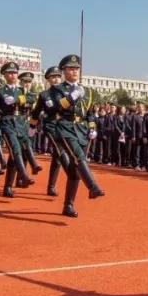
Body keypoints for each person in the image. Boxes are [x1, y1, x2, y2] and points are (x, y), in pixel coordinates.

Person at [45, 54, 104, 217]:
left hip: (82, 130)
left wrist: (92, 126)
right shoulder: (57, 90)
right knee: (79, 158)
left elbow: (90, 113)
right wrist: (72, 97)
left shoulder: (88, 91)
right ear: (64, 71)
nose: (74, 71)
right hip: (64, 128)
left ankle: (68, 205)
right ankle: (93, 186)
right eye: (71, 68)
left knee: (74, 171)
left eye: (76, 68)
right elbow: (56, 108)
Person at [0, 62, 35, 198]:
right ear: (5, 75)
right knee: (15, 149)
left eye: (14, 73)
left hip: (20, 124)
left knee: (15, 155)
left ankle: (7, 187)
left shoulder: (21, 90)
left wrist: (17, 99)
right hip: (6, 123)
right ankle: (24, 175)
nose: (13, 75)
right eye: (9, 73)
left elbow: (32, 97)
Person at [29, 66, 68, 196]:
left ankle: (51, 186)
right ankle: (71, 173)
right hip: (50, 127)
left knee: (57, 157)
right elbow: (36, 112)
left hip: (64, 127)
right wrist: (32, 127)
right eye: (53, 77)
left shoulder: (67, 92)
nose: (56, 79)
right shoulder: (44, 95)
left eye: (58, 76)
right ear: (48, 80)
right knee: (58, 151)